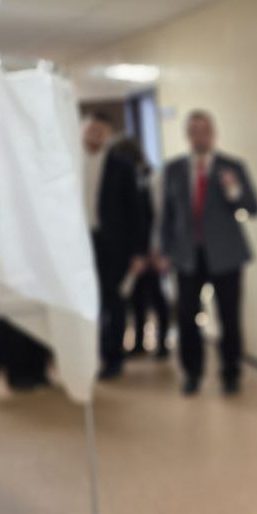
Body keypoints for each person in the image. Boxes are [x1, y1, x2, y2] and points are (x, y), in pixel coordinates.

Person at [159, 111, 257, 396]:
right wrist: (164, 251)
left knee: (229, 317)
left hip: (226, 255)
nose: (199, 136)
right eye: (194, 131)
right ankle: (192, 373)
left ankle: (231, 373)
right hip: (187, 256)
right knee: (187, 316)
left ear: (213, 134)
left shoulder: (232, 166)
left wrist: (234, 190)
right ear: (187, 134)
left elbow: (253, 207)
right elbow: (167, 214)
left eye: (204, 130)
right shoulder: (174, 169)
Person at [82, 112, 145, 381]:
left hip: (113, 245)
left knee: (113, 302)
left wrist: (138, 252)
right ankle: (89, 354)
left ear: (107, 135)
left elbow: (136, 211)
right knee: (87, 302)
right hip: (82, 243)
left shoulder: (122, 165)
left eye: (100, 131)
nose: (94, 136)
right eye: (90, 130)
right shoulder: (72, 162)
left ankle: (113, 357)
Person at [110, 136, 170, 359]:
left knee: (156, 295)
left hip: (152, 247)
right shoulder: (124, 180)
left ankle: (162, 342)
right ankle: (138, 342)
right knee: (136, 297)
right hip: (133, 248)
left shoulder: (152, 178)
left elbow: (158, 215)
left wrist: (155, 248)